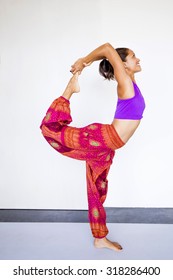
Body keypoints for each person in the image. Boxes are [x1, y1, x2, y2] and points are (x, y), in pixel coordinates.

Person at [40, 43, 145, 252]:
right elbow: (107, 48)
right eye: (133, 57)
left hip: (106, 147)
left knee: (95, 189)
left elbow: (112, 56)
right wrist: (84, 62)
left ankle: (100, 238)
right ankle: (70, 89)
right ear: (122, 65)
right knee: (50, 129)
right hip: (101, 138)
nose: (138, 59)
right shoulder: (124, 81)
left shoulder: (131, 80)